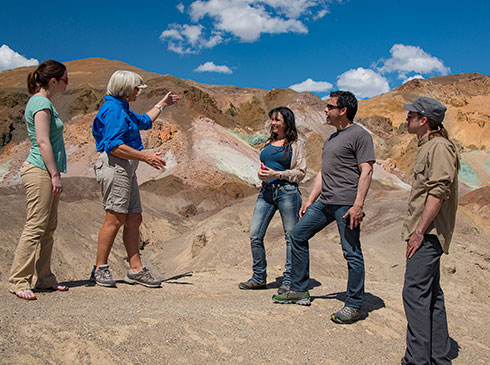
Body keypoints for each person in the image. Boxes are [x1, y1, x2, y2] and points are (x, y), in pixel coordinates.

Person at [272, 91, 375, 325]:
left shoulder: (360, 135)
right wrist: (310, 200)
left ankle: (354, 304)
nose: (325, 110)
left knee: (351, 251)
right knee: (297, 235)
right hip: (325, 202)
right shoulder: (331, 138)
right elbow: (322, 172)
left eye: (330, 107)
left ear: (343, 110)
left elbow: (367, 170)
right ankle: (299, 289)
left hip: (346, 203)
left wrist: (358, 205)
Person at [91, 70, 179, 288]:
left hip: (126, 168)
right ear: (125, 88)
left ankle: (136, 270)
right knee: (114, 218)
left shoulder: (122, 108)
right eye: (136, 88)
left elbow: (144, 121)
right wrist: (145, 157)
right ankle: (100, 269)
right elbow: (113, 145)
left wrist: (163, 104)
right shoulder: (112, 110)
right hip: (115, 166)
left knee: (134, 218)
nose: (139, 92)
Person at [401, 97, 459, 365]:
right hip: (425, 233)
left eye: (411, 115)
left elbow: (438, 192)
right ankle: (438, 357)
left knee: (414, 293)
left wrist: (419, 232)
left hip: (428, 235)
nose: (406, 119)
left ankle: (417, 360)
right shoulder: (427, 146)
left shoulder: (439, 147)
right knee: (431, 295)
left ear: (423, 120)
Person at [8, 60, 70, 300]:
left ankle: (44, 278)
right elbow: (43, 142)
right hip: (40, 170)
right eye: (65, 80)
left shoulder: (45, 103)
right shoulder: (41, 103)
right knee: (36, 225)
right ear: (53, 81)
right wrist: (54, 175)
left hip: (46, 171)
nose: (67, 84)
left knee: (48, 227)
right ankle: (18, 280)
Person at [239, 107, 306, 293]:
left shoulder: (296, 143)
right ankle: (259, 277)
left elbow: (301, 172)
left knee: (290, 237)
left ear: (287, 122)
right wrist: (261, 175)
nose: (274, 123)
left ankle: (290, 280)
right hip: (266, 192)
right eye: (272, 120)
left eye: (277, 120)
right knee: (255, 235)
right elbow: (266, 167)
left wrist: (278, 174)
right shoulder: (270, 142)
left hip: (288, 192)